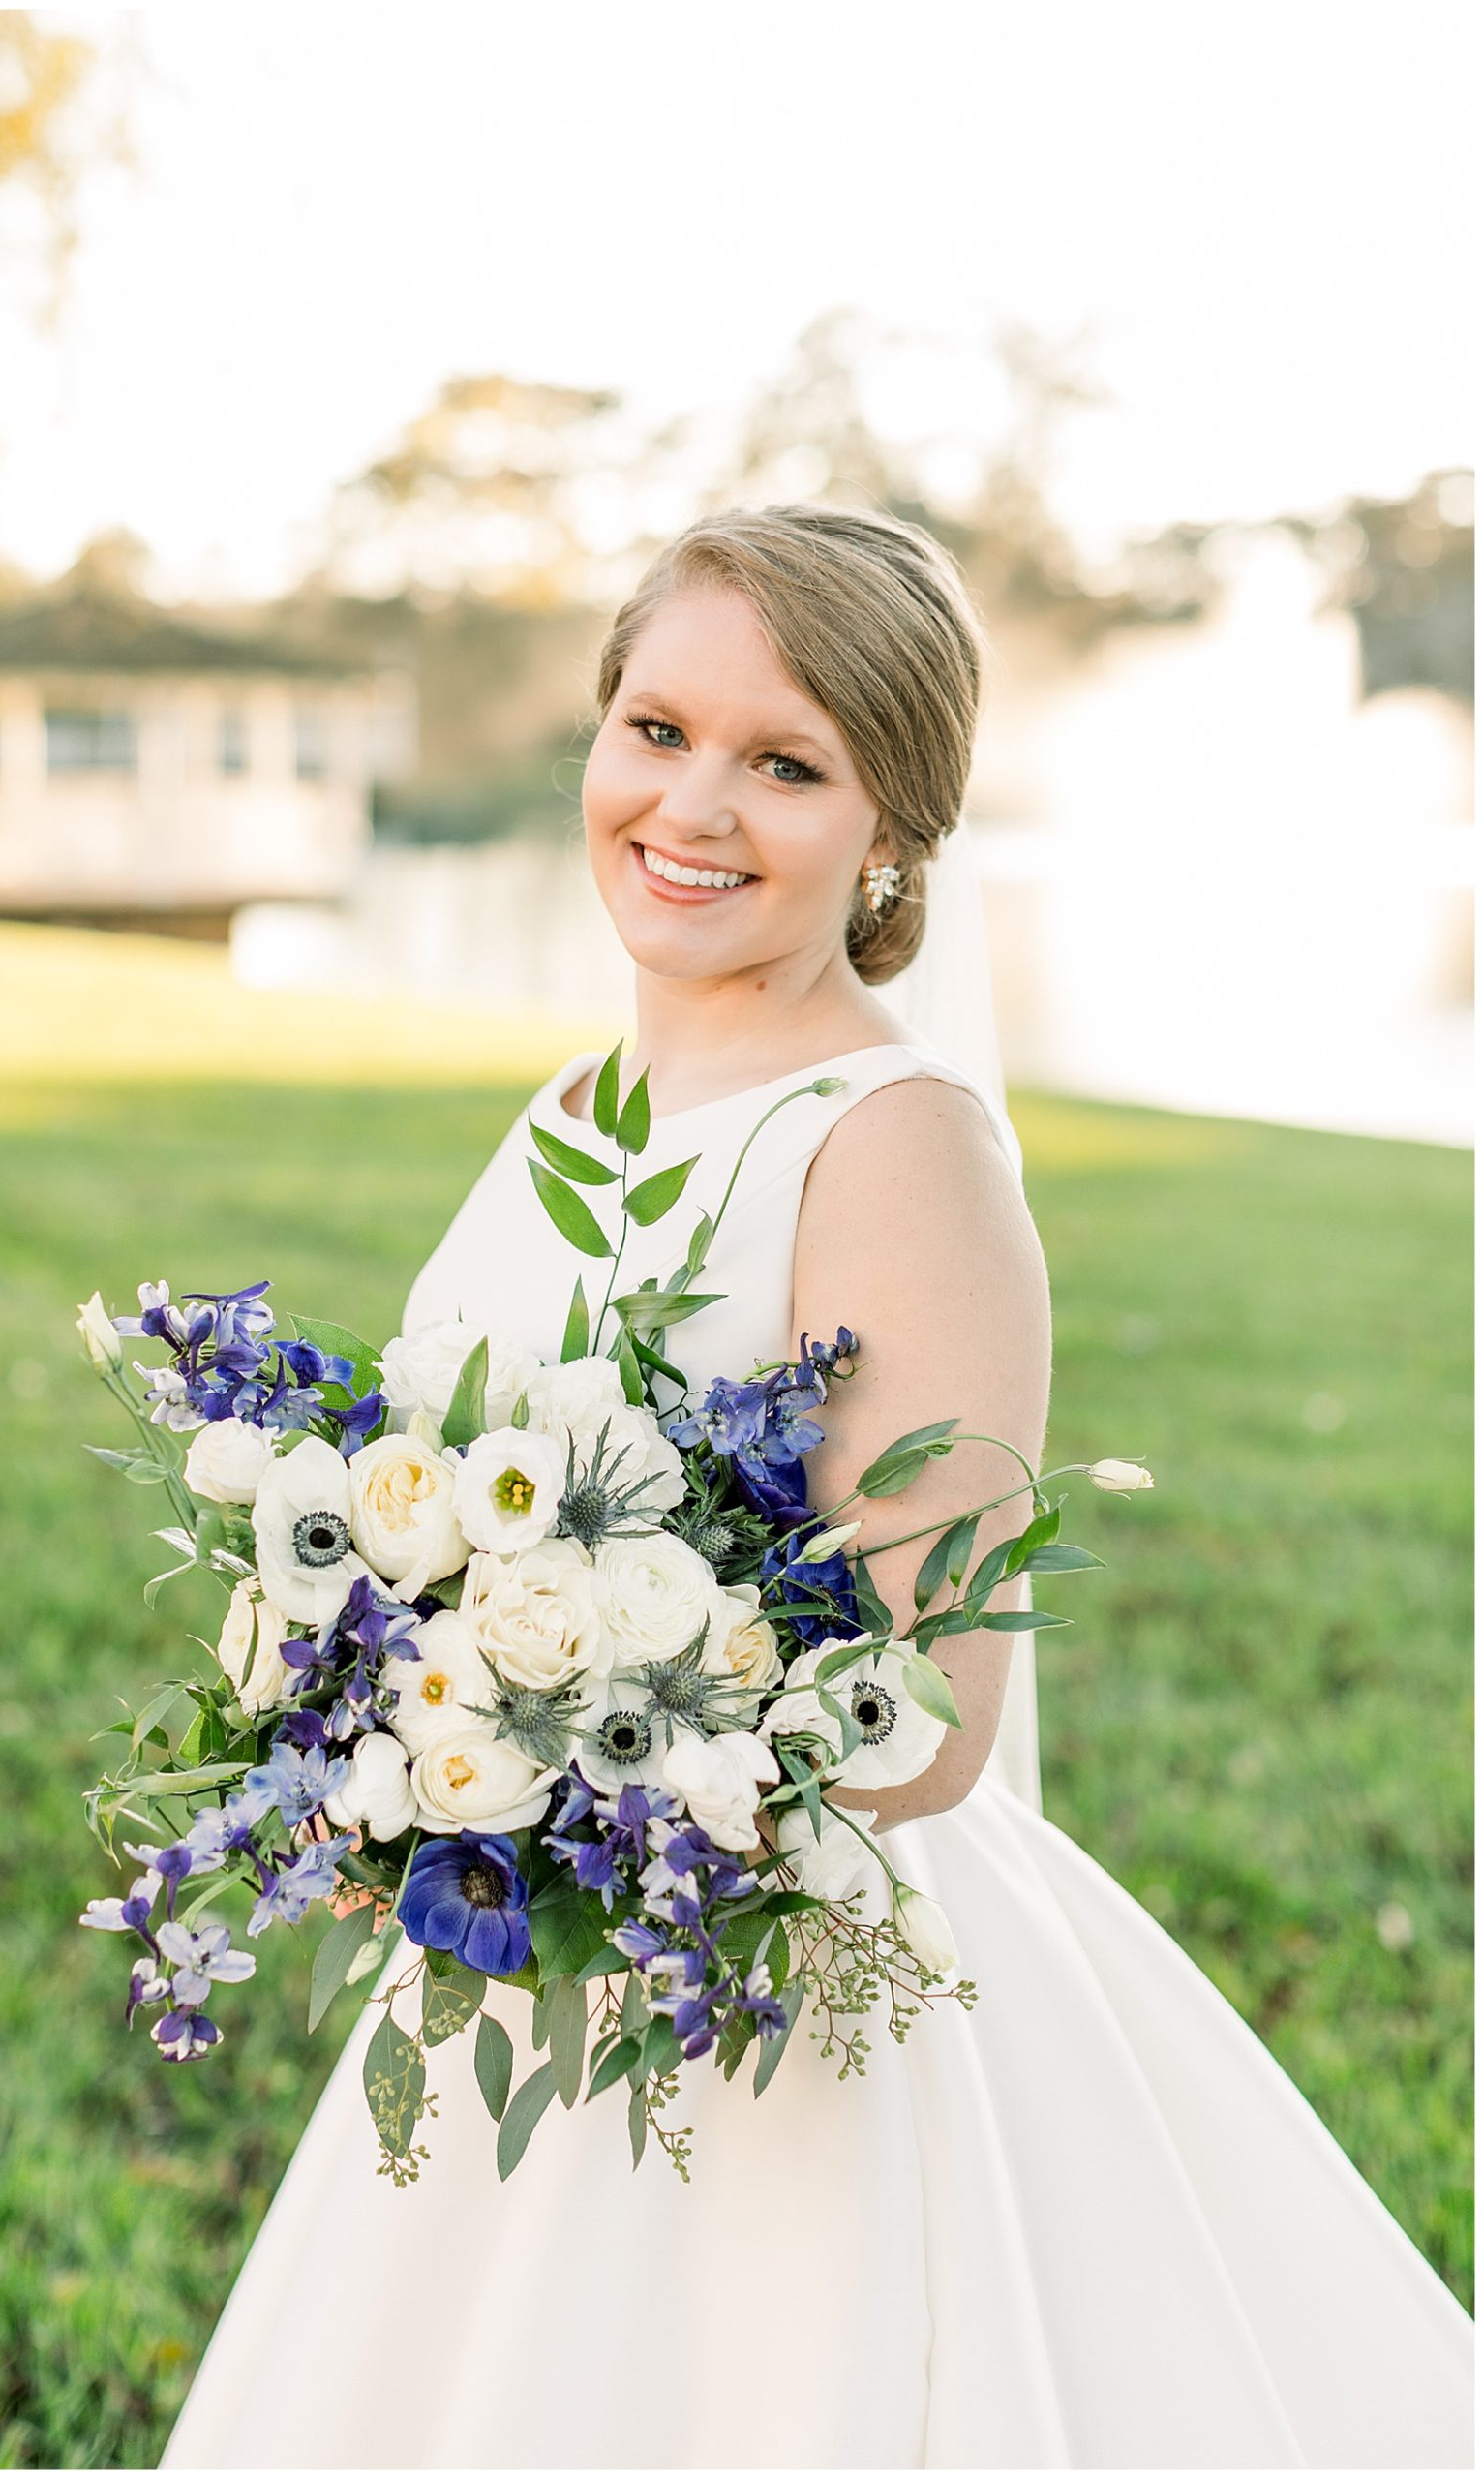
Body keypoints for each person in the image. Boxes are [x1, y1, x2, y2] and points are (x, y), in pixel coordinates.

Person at [161, 504, 1470, 2469]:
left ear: (891, 829)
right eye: (656, 726)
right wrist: (363, 1704)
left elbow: (928, 1707)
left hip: (767, 1999)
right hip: (534, 1935)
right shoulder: (580, 1113)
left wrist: (559, 1730)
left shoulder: (896, 1139)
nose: (692, 801)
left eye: (784, 761)